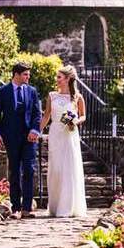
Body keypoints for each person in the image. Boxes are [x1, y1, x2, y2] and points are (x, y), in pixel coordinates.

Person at [0, 62, 42, 219]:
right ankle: (16, 208)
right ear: (16, 74)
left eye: (28, 74)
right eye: (25, 74)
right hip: (11, 137)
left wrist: (35, 130)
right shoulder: (3, 91)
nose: (28, 77)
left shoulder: (32, 91)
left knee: (29, 169)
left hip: (29, 137)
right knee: (15, 171)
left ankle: (27, 208)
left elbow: (37, 113)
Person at [40, 65, 88, 217]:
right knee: (56, 169)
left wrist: (76, 121)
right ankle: (55, 206)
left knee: (69, 168)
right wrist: (37, 131)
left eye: (59, 77)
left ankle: (67, 207)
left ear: (68, 79)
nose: (57, 80)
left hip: (69, 135)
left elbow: (83, 115)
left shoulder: (77, 97)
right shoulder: (52, 96)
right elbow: (47, 115)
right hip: (55, 133)